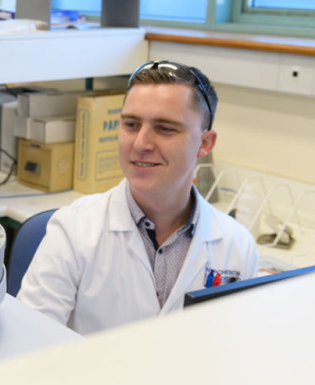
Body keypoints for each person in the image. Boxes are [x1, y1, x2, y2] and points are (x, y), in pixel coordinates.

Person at [17, 60, 258, 335]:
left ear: (205, 143)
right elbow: (28, 345)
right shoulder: (73, 230)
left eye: (165, 128)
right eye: (131, 124)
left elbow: (237, 350)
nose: (141, 144)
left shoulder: (236, 246)